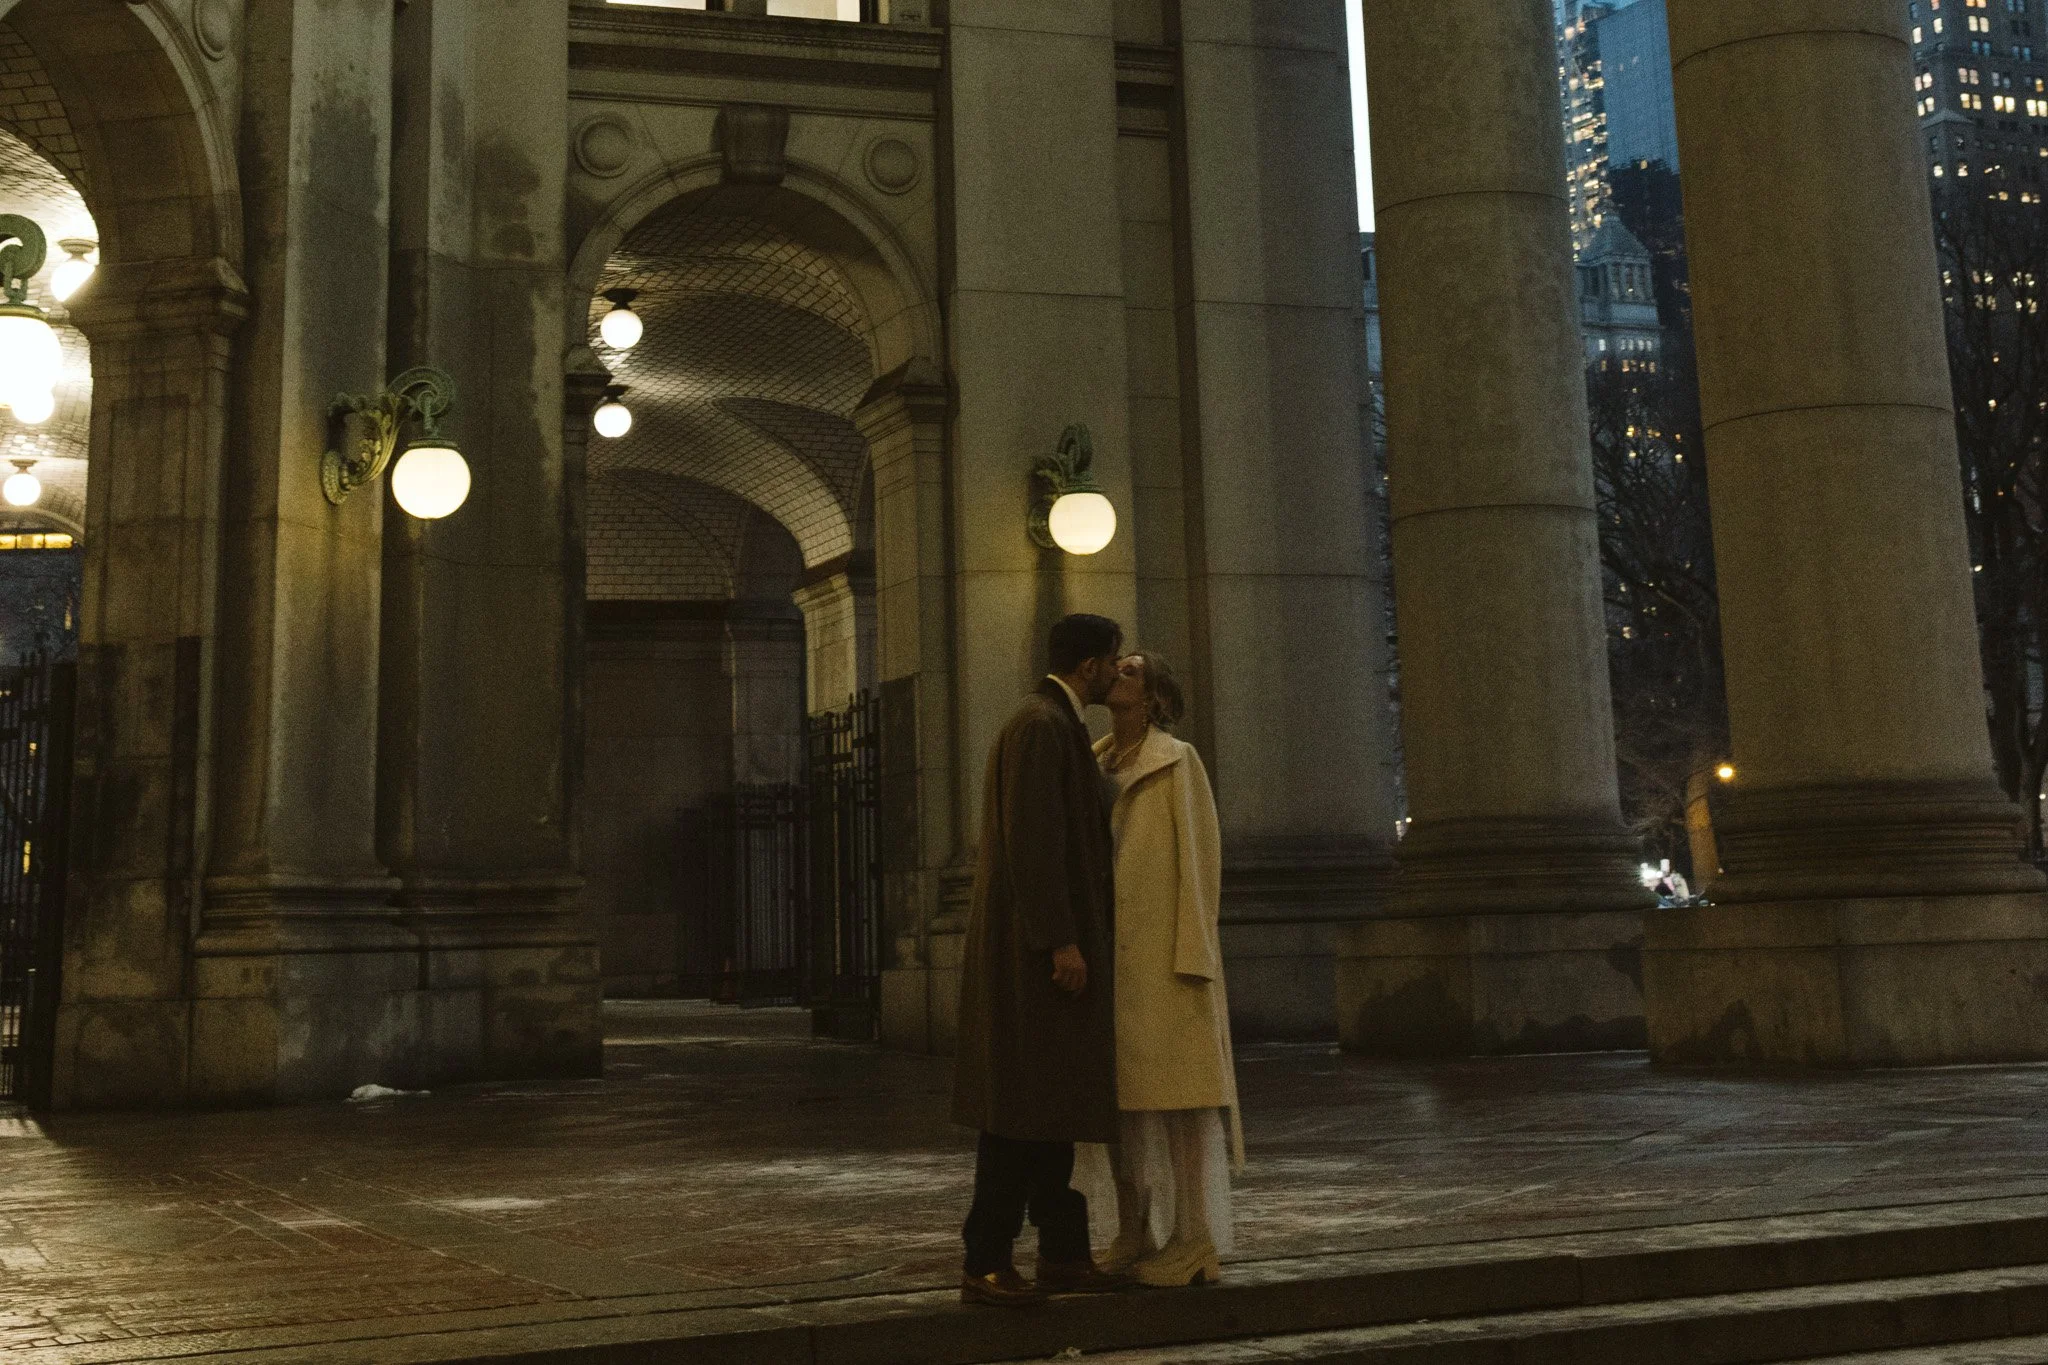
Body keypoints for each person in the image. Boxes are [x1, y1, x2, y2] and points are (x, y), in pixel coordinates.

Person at [951, 613, 1130, 1307]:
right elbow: (1035, 841)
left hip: (1046, 951)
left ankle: (1063, 1251)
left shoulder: (1052, 723)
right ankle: (985, 1255)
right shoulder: (1041, 725)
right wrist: (1060, 938)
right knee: (1019, 1113)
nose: (1118, 672)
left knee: (1049, 1109)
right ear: (1089, 666)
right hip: (1038, 957)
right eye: (1113, 661)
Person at [1094, 651, 1242, 1288]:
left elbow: (1201, 858)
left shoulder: (1178, 761)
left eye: (1130, 671)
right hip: (1110, 955)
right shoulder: (1097, 760)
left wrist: (1194, 952)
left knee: (1182, 1103)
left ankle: (1194, 1235)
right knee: (1117, 1103)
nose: (1116, 677)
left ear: (1153, 697)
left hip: (1165, 958)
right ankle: (1136, 1226)